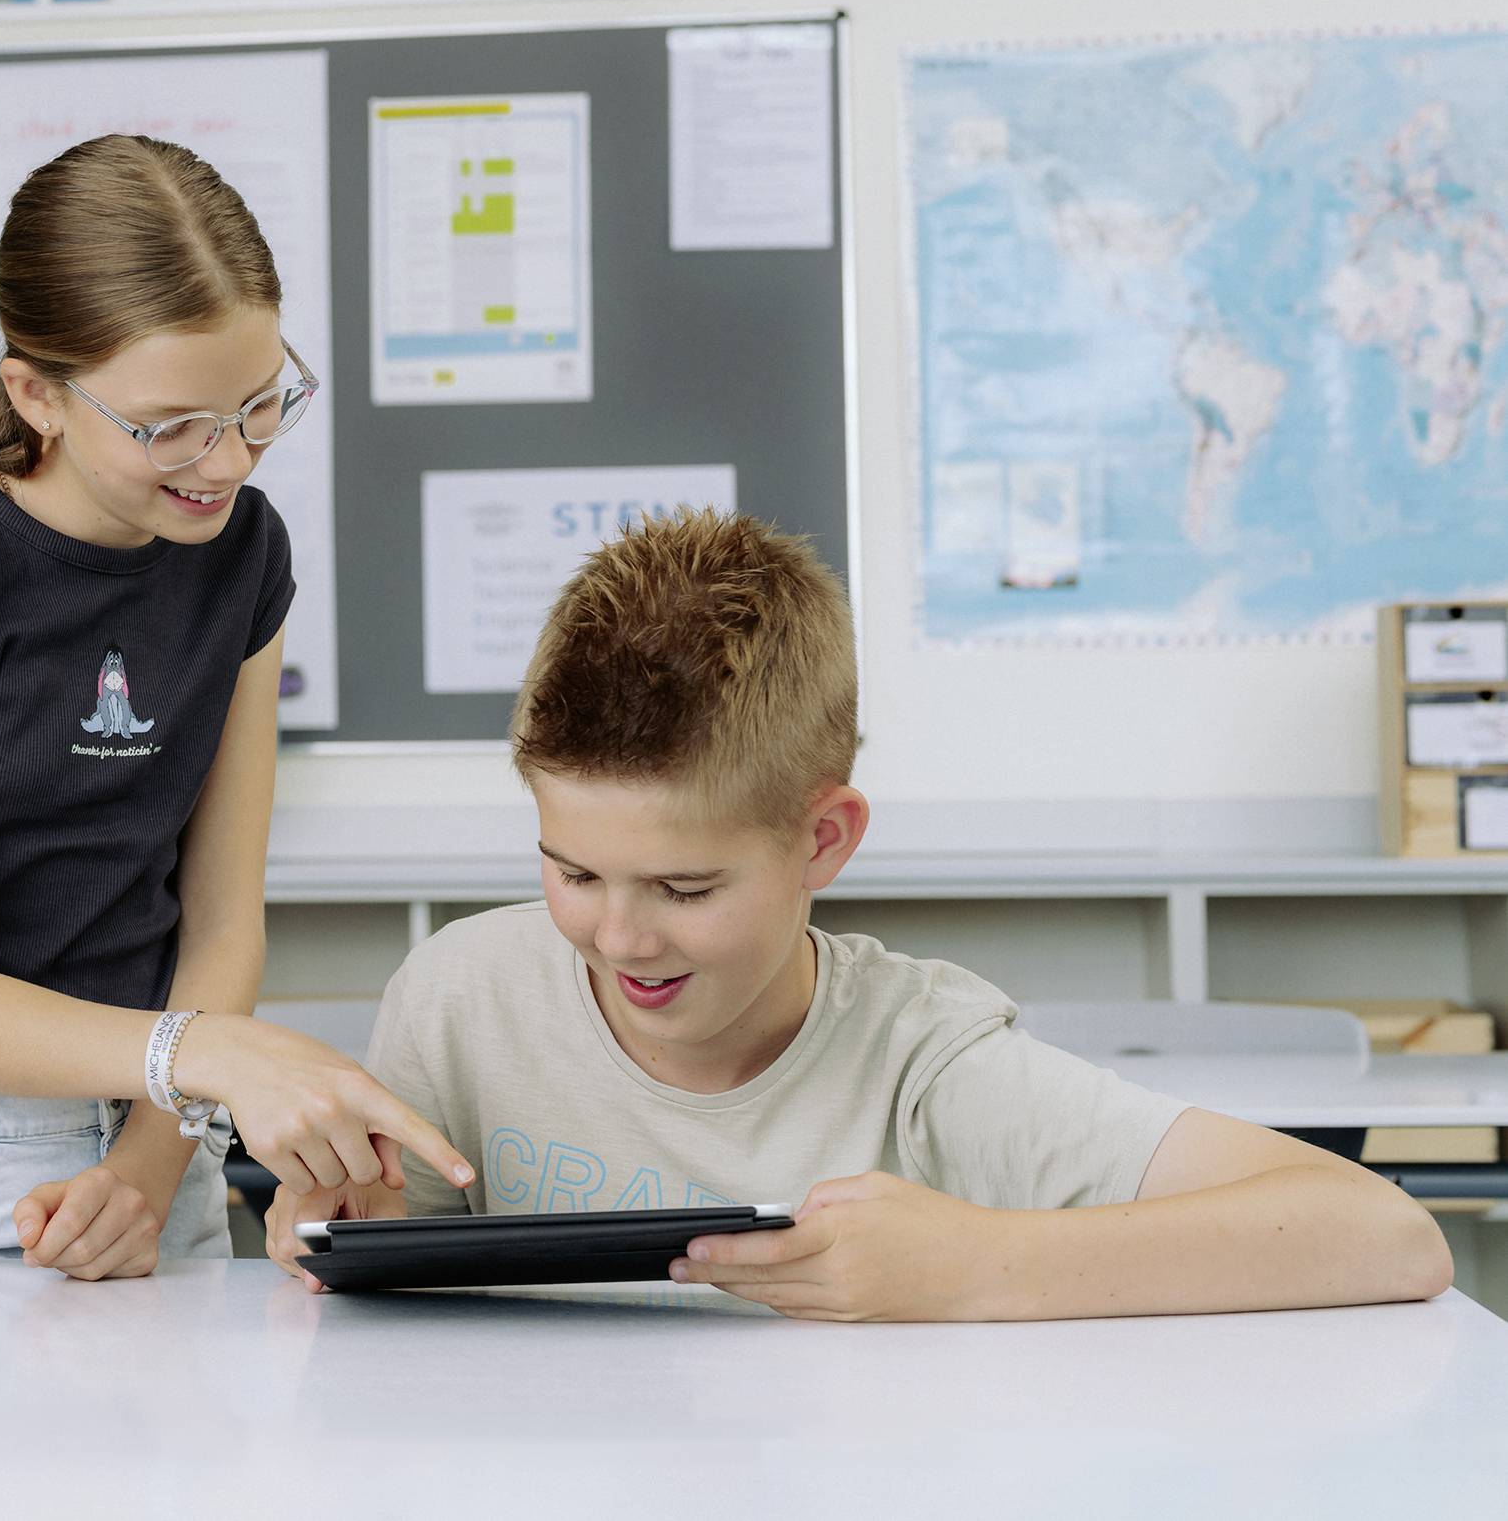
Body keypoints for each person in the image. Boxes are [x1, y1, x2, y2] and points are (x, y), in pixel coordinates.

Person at [265, 509, 1453, 1320]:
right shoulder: (461, 994)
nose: (620, 936)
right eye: (571, 871)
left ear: (821, 839)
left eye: (684, 888)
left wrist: (981, 1263)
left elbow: (1383, 1234)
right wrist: (333, 1245)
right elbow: (380, 1319)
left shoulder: (920, 1056)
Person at [0, 132, 470, 1281]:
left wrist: (156, 1157)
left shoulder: (241, 554)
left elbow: (220, 920)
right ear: (36, 393)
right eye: (171, 426)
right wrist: (208, 1058)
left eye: (261, 403)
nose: (227, 460)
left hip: (158, 1138)